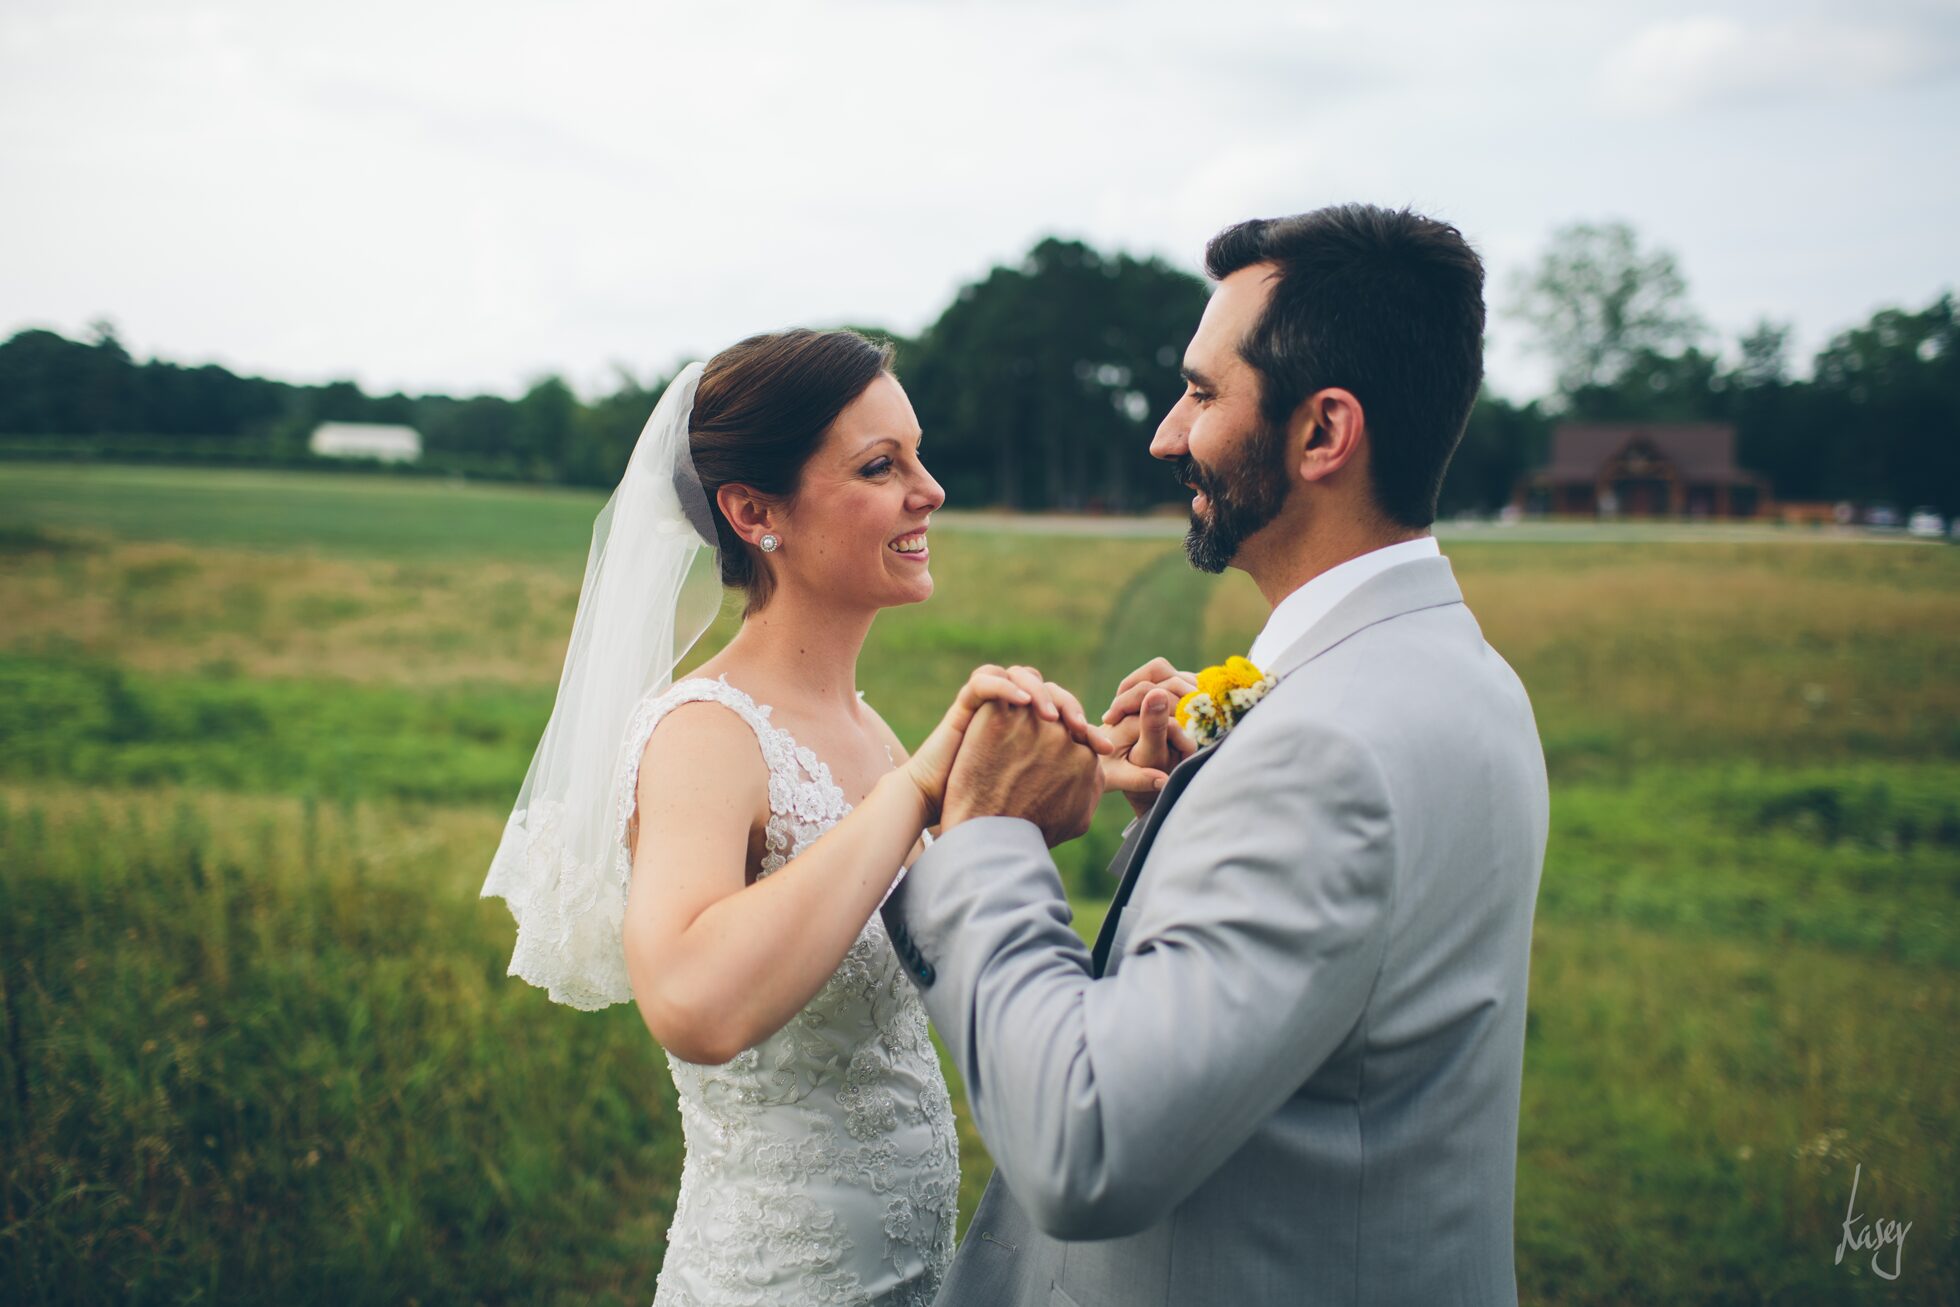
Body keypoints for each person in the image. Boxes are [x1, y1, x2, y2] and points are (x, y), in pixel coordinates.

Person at [880, 204, 1553, 1305]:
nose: (1163, 435)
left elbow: (1084, 1143)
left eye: (1200, 393)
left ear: (1322, 433)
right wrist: (1190, 797)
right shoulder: (1464, 674)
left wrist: (991, 836)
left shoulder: (1325, 748)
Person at [480, 327, 1168, 1307]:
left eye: (918, 456)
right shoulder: (704, 732)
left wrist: (1097, 774)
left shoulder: (869, 729)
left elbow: (944, 931)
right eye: (882, 466)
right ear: (755, 511)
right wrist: (921, 786)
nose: (929, 490)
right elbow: (692, 1003)